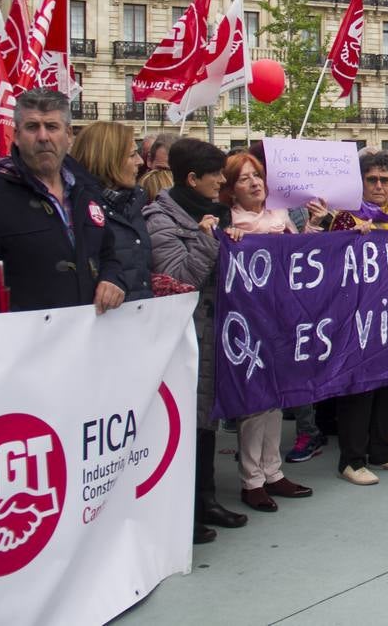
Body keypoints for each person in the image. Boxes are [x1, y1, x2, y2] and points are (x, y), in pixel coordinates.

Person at [144, 137, 248, 544]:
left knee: (207, 418)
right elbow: (179, 278)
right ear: (191, 178)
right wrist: (209, 239)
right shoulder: (160, 219)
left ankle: (205, 498)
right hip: (186, 333)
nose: (222, 181)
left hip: (217, 328)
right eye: (215, 175)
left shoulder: (217, 213)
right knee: (187, 419)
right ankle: (182, 508)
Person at [0, 89, 125, 314]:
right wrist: (21, 319)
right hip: (23, 340)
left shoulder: (87, 190)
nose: (43, 137)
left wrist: (112, 279)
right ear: (16, 135)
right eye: (32, 127)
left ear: (69, 135)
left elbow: (107, 254)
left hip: (88, 333)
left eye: (52, 127)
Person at [221, 152, 315, 510]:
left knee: (276, 397)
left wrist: (313, 228)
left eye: (257, 175)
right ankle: (251, 479)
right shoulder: (229, 222)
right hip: (249, 319)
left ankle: (273, 472)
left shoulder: (280, 216)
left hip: (283, 314)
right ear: (231, 189)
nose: (255, 183)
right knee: (254, 401)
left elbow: (302, 257)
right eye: (244, 179)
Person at [327, 151, 388, 484]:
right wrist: (351, 236)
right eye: (372, 179)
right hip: (356, 317)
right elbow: (332, 260)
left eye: (385, 180)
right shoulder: (346, 217)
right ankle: (352, 460)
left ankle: (381, 450)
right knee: (359, 388)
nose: (379, 186)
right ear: (361, 183)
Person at [71, 122, 153, 301]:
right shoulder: (78, 210)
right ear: (107, 159)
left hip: (138, 322)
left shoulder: (132, 204)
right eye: (132, 154)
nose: (140, 161)